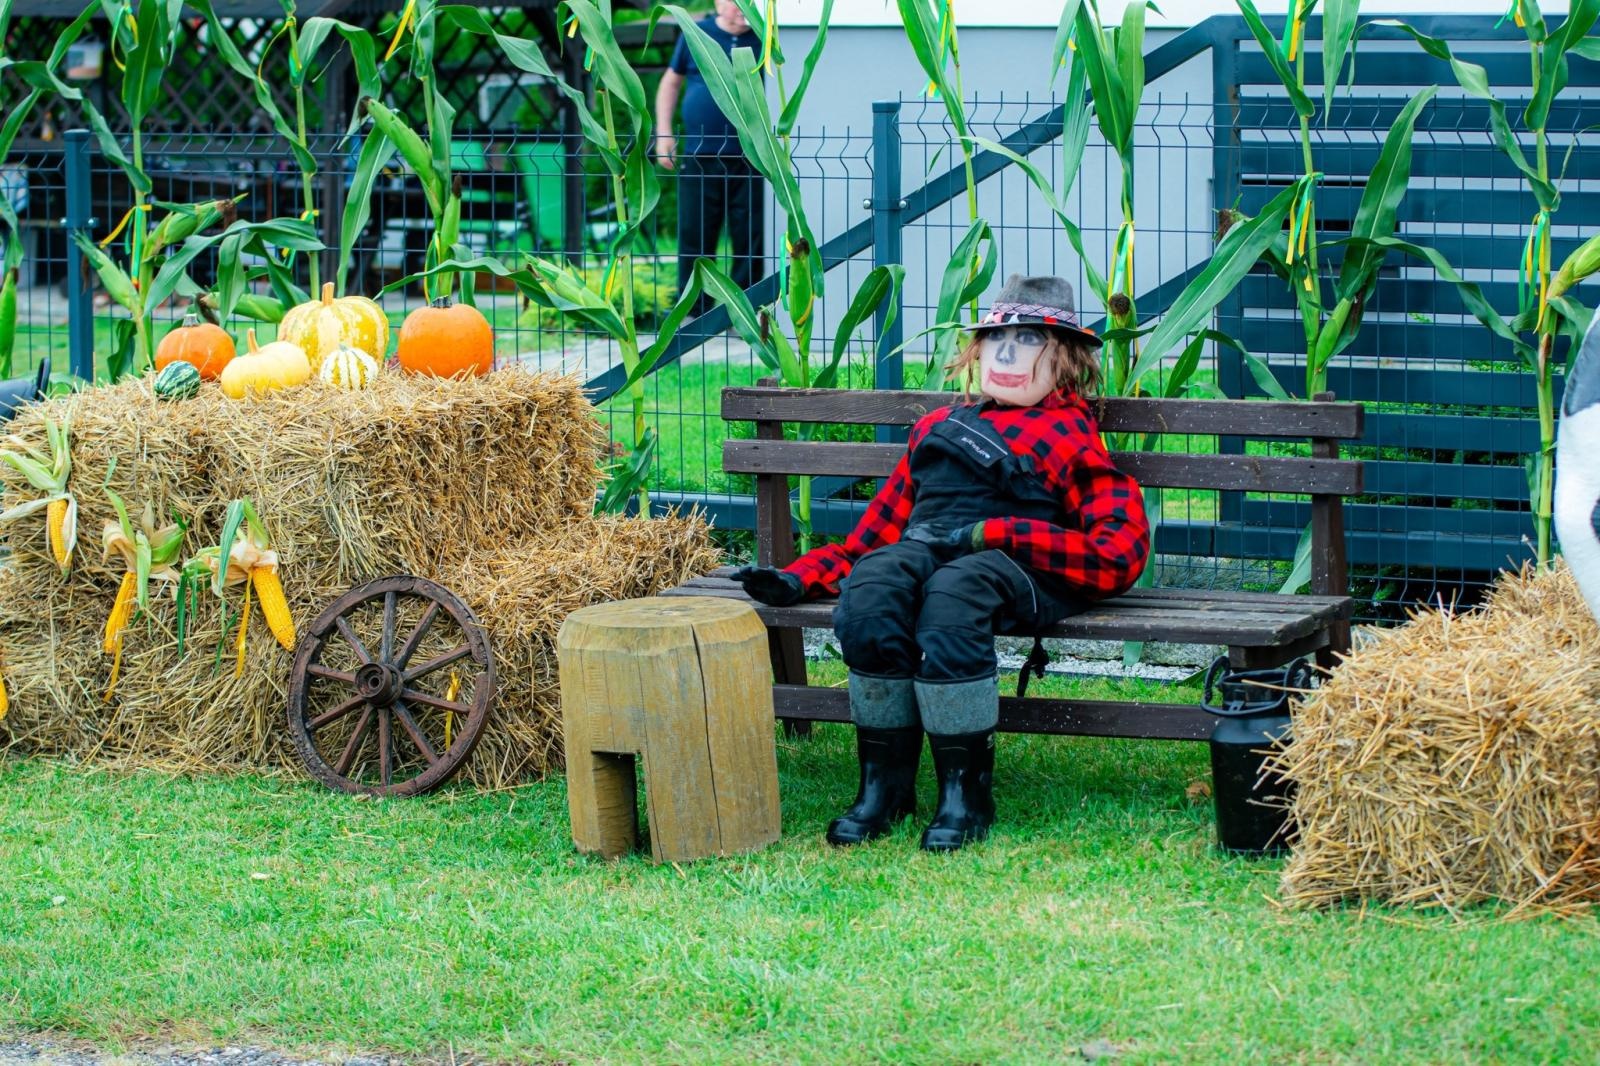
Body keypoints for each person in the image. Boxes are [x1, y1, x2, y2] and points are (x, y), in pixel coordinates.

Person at [732, 275, 1151, 852]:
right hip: (931, 550)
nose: (1006, 354)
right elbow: (868, 542)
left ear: (1066, 362)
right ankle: (885, 787)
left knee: (955, 593)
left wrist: (1001, 533)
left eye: (1029, 342)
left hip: (1020, 569)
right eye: (995, 340)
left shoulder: (1070, 435)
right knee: (874, 588)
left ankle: (965, 795)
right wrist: (795, 577)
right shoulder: (936, 429)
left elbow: (1118, 553)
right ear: (974, 353)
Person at [654, 0, 764, 308]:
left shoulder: (766, 39)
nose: (744, 7)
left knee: (752, 235)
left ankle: (746, 309)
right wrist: (664, 132)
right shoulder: (696, 33)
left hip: (753, 157)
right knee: (695, 233)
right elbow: (670, 83)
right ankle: (693, 309)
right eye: (736, 1)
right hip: (701, 156)